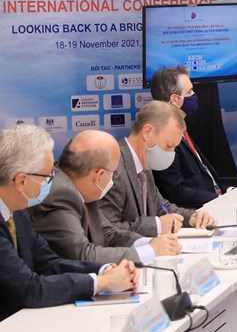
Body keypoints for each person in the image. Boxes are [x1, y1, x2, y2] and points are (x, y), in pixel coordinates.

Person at [0, 123, 137, 321]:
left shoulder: (18, 212)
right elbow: (29, 288)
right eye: (47, 177)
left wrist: (105, 270)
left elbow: (49, 263)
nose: (52, 181)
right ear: (21, 181)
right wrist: (102, 283)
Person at [30, 129, 181, 264]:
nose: (112, 179)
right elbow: (84, 255)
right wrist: (151, 251)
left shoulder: (83, 189)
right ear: (99, 175)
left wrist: (151, 243)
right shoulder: (61, 194)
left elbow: (108, 233)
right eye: (113, 173)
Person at [98, 101, 216, 238]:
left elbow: (162, 207)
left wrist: (192, 217)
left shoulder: (144, 165)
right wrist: (157, 226)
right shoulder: (114, 168)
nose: (172, 153)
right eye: (169, 145)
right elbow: (107, 230)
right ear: (147, 132)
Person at [148, 65, 223, 207]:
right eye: (189, 92)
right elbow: (176, 191)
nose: (194, 94)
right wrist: (218, 199)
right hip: (196, 210)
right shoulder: (163, 137)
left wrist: (229, 192)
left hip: (213, 200)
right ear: (175, 99)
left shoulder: (181, 129)